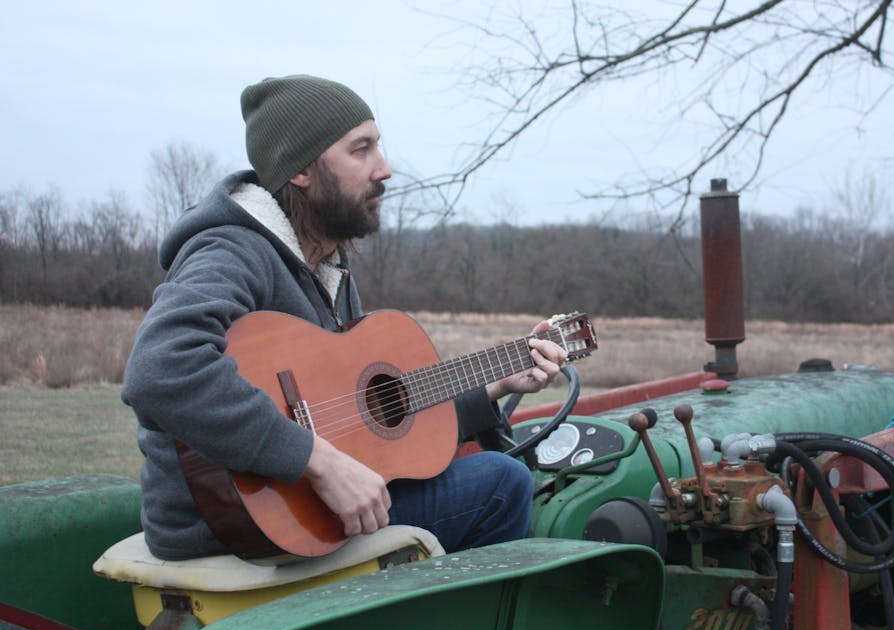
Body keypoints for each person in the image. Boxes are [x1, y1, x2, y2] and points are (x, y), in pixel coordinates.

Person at [121, 74, 567, 561]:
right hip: (232, 529)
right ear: (302, 171)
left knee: (477, 467)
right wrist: (315, 460)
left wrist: (496, 383)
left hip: (302, 514)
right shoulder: (233, 250)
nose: (385, 169)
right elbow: (160, 368)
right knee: (502, 483)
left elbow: (371, 427)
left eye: (380, 147)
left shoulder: (327, 266)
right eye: (361, 150)